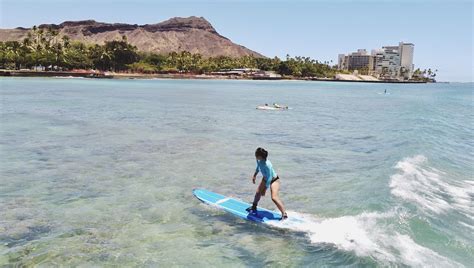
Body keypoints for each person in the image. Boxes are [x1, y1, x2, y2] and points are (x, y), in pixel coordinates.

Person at [246, 147, 288, 220]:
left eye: (256, 154)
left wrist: (265, 188)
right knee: (257, 193)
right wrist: (254, 175)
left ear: (260, 156)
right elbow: (258, 167)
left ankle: (284, 214)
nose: (255, 155)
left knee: (274, 197)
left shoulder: (267, 164)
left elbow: (269, 177)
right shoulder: (259, 160)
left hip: (274, 180)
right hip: (265, 179)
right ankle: (254, 206)